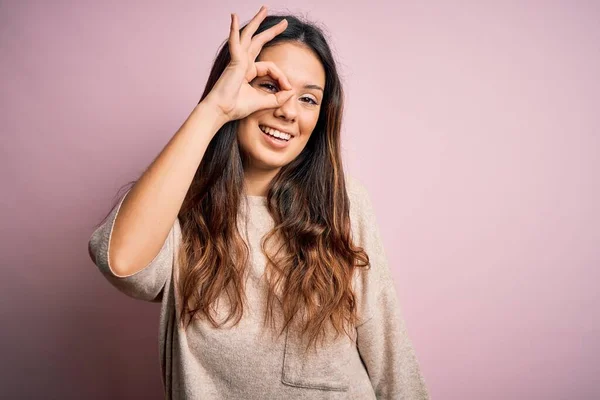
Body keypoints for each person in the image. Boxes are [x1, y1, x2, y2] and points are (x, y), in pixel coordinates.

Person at [88, 6, 429, 399]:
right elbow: (122, 265)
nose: (288, 111)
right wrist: (214, 109)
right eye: (269, 86)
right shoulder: (180, 208)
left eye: (308, 99)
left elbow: (390, 353)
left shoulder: (345, 202)